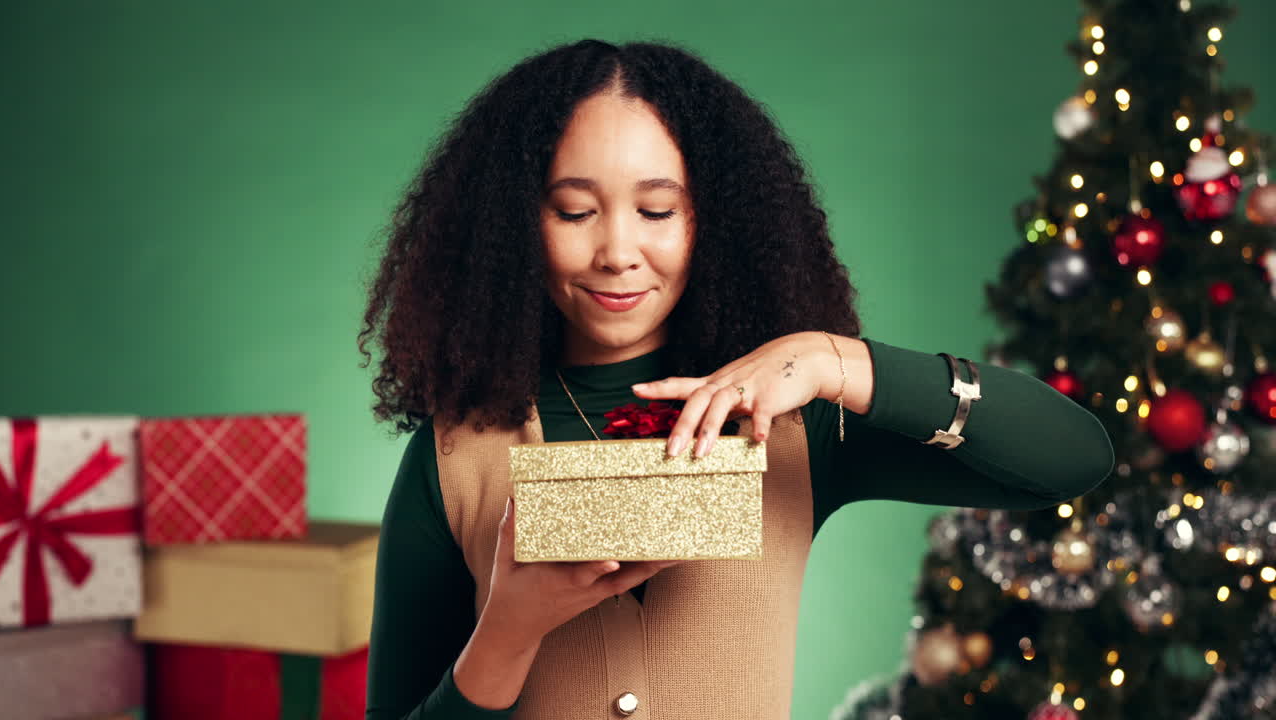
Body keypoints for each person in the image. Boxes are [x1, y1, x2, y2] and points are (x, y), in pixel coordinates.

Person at [356, 38, 1114, 720]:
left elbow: (1073, 456)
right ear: (514, 227)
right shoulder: (457, 455)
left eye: (658, 210)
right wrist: (507, 635)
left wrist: (831, 359)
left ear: (714, 221)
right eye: (575, 210)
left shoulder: (795, 426)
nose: (617, 250)